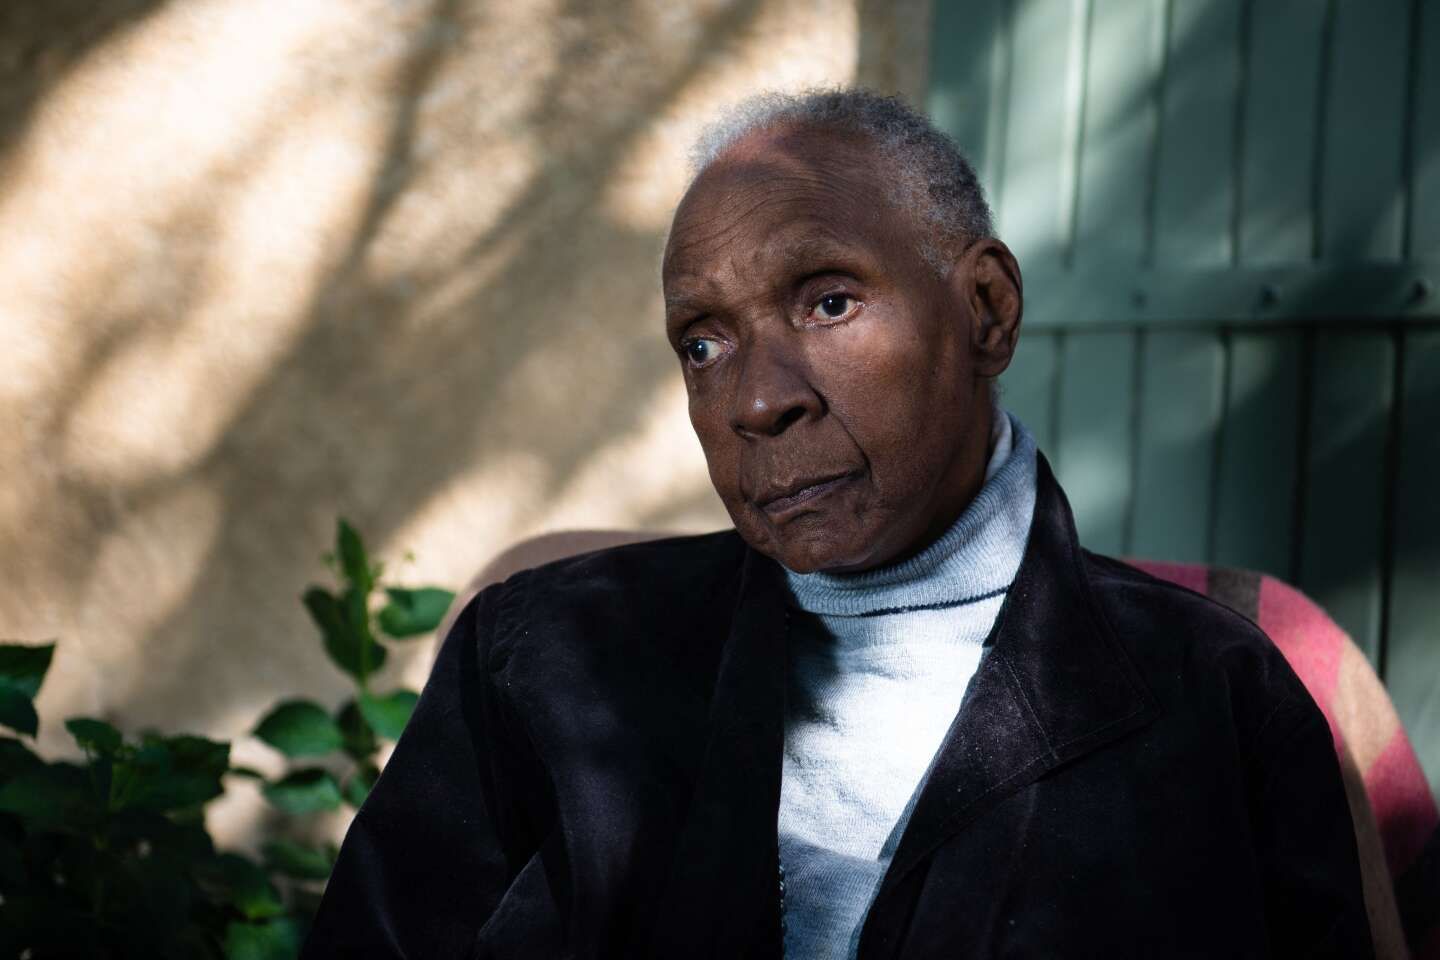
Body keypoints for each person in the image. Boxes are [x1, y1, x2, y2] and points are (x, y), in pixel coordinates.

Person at [302, 90, 1372, 958]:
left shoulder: (1211, 695)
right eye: (704, 343)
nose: (758, 400)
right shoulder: (540, 660)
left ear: (986, 311)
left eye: (827, 302)